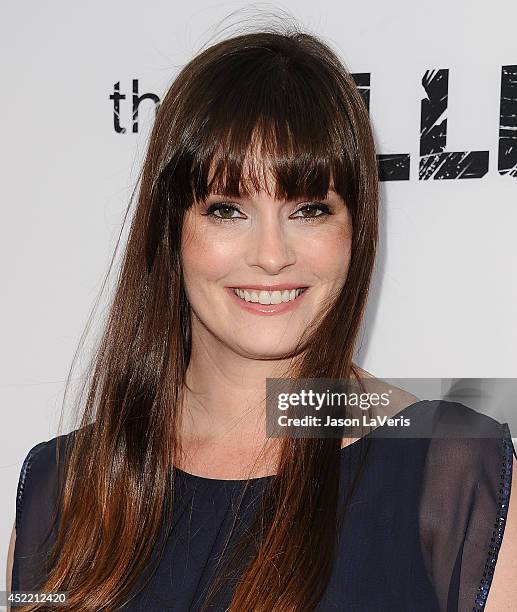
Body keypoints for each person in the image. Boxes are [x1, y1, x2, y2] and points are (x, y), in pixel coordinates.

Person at [7, 25, 517, 612]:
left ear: (356, 230)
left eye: (309, 209)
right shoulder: (60, 487)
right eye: (227, 209)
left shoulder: (451, 468)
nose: (272, 255)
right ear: (172, 229)